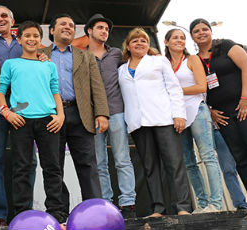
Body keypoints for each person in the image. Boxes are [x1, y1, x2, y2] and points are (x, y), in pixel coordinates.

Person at [0, 21, 67, 223]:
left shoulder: (48, 65)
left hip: (48, 121)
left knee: (52, 167)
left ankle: (56, 211)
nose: (31, 39)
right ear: (19, 39)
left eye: (35, 35)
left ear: (40, 39)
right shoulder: (11, 64)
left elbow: (55, 91)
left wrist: (60, 115)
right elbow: (1, 91)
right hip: (21, 121)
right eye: (27, 35)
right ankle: (22, 214)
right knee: (21, 167)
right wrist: (7, 112)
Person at [39, 14, 109, 216]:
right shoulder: (38, 54)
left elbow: (97, 86)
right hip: (51, 116)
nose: (68, 27)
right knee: (54, 166)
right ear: (52, 30)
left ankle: (95, 210)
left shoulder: (85, 56)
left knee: (88, 165)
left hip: (81, 114)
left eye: (71, 25)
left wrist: (102, 113)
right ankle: (59, 212)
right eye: (63, 24)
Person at [118, 27, 192, 217]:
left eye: (143, 40)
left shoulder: (158, 61)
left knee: (174, 164)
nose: (139, 43)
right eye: (135, 41)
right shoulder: (121, 70)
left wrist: (179, 114)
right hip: (138, 124)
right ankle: (158, 208)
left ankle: (183, 207)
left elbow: (174, 88)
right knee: (150, 168)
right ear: (128, 45)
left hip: (164, 119)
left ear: (148, 44)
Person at [0, 5, 38, 226]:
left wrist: (41, 56)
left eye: (4, 15)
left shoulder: (25, 43)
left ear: (12, 21)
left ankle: (26, 213)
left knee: (29, 162)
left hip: (25, 109)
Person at [190, 18, 247, 208]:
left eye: (204, 29)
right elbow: (199, 89)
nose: (201, 33)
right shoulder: (195, 60)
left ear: (210, 31)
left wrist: (246, 98)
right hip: (223, 116)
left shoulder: (226, 46)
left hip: (244, 107)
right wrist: (210, 112)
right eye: (196, 31)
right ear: (192, 36)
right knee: (240, 157)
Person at [83, 13, 137, 218]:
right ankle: (106, 205)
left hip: (116, 111)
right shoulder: (80, 55)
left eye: (106, 29)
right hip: (92, 116)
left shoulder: (116, 53)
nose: (104, 31)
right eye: (100, 28)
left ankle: (128, 203)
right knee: (99, 163)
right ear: (89, 31)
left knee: (122, 159)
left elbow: (137, 60)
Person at [164, 28, 223, 213]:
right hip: (177, 115)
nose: (180, 40)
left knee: (208, 157)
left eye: (182, 38)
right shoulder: (163, 63)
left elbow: (201, 86)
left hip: (197, 110)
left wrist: (175, 90)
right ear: (166, 42)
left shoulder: (192, 59)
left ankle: (216, 204)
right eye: (175, 37)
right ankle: (203, 203)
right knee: (188, 162)